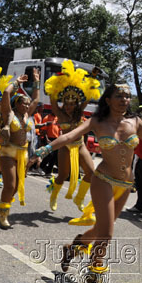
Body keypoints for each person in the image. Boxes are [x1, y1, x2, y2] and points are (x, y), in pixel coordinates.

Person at [30, 83, 142, 283]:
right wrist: (40, 152)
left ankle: (74, 247)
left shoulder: (136, 122)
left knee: (99, 230)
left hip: (126, 185)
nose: (125, 99)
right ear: (108, 99)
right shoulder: (97, 121)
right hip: (103, 180)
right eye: (119, 95)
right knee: (106, 234)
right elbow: (69, 136)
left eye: (127, 96)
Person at [43, 60, 101, 212]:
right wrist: (55, 86)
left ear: (76, 105)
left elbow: (87, 96)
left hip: (80, 145)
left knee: (91, 173)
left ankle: (79, 198)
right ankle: (54, 195)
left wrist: (93, 77)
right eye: (66, 104)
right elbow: (53, 101)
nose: (68, 107)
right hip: (64, 148)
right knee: (62, 176)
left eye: (71, 104)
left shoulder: (79, 113)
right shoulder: (60, 114)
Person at [0, 68, 41, 229]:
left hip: (23, 154)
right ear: (17, 104)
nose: (27, 105)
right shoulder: (9, 114)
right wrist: (16, 83)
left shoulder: (27, 115)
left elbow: (36, 98)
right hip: (8, 152)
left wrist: (36, 80)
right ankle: (3, 214)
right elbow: (6, 94)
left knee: (15, 187)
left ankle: (4, 205)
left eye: (28, 104)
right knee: (10, 185)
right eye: (24, 103)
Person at [40, 111, 60, 177]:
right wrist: (47, 139)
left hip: (56, 139)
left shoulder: (58, 118)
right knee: (49, 154)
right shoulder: (47, 118)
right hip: (49, 138)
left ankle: (48, 172)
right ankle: (41, 167)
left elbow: (60, 128)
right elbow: (44, 130)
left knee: (55, 156)